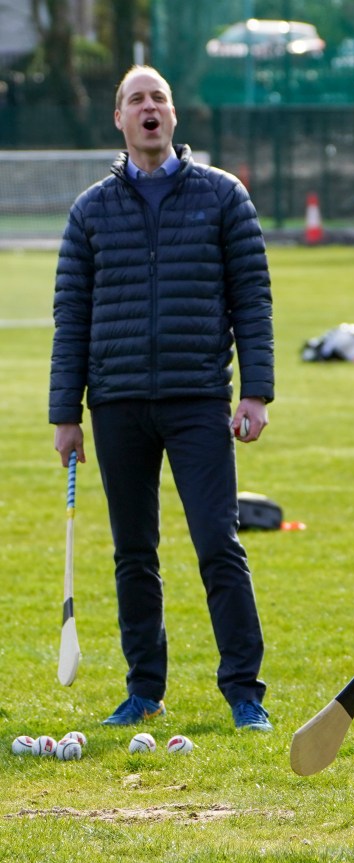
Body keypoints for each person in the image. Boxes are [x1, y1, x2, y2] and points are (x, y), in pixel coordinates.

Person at [49, 65, 274, 733]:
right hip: (115, 405)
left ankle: (244, 693)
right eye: (135, 100)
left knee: (217, 543)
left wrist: (256, 393)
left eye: (159, 98)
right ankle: (144, 690)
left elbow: (252, 302)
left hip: (198, 399)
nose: (149, 108)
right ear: (118, 119)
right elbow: (72, 316)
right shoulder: (90, 211)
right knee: (133, 553)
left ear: (174, 116)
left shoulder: (224, 197)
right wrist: (66, 414)